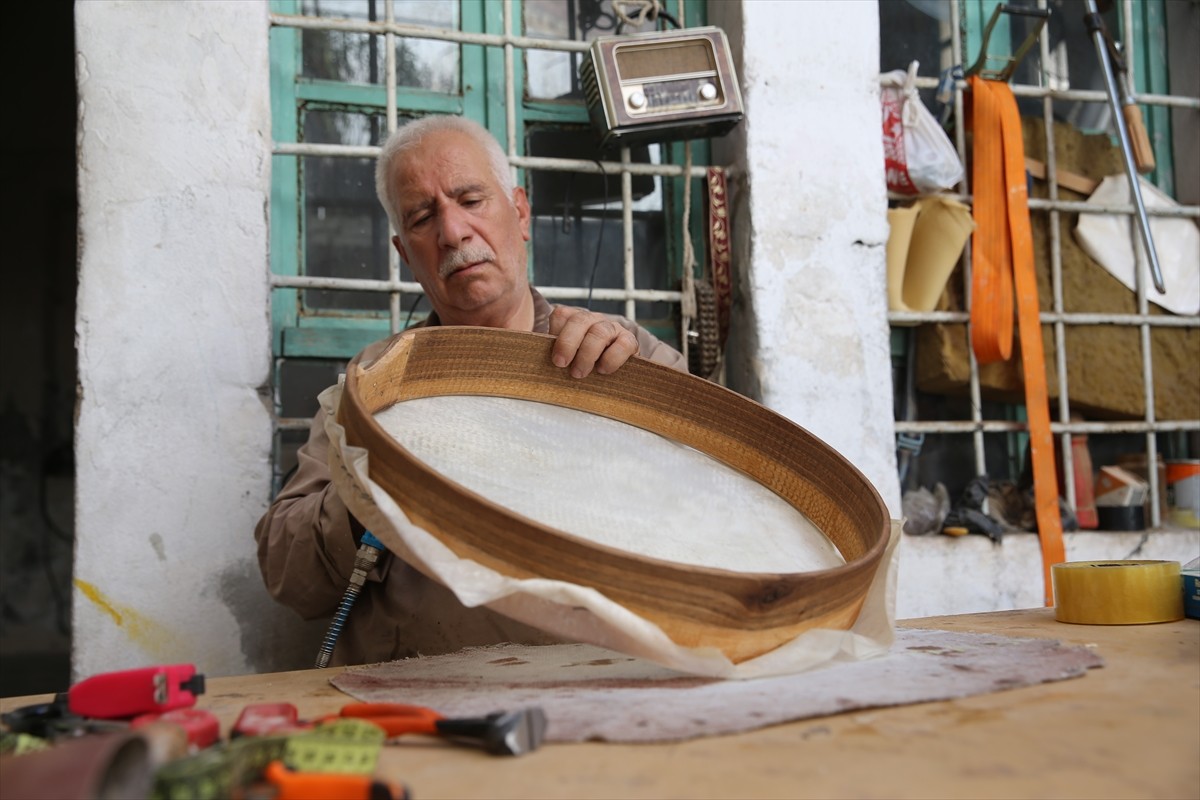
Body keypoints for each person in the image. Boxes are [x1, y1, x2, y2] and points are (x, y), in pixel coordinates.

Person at [255, 115, 687, 666]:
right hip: (414, 703)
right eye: (422, 216)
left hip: (594, 690)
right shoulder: (376, 383)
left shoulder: (625, 356)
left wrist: (635, 403)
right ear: (405, 254)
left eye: (471, 200)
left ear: (522, 212)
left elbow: (731, 529)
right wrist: (378, 486)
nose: (453, 232)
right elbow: (287, 574)